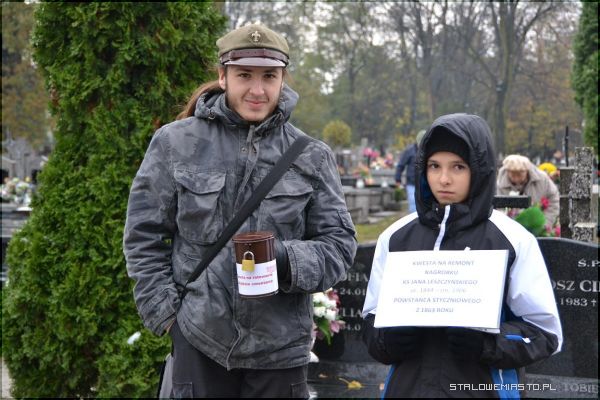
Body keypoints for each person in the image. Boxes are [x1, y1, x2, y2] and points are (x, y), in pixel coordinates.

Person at [123, 23, 357, 398]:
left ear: (283, 79)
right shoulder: (175, 143)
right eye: (244, 75)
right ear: (223, 76)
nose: (257, 90)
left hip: (281, 352)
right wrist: (167, 317)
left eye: (269, 76)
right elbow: (143, 235)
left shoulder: (311, 156)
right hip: (200, 343)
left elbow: (339, 246)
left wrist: (285, 257)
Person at [361, 113, 562, 398]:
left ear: (478, 170)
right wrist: (387, 339)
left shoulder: (512, 240)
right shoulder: (395, 237)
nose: (443, 179)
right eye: (434, 166)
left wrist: (489, 343)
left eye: (458, 167)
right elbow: (371, 321)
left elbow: (545, 333)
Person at [497, 154, 560, 228]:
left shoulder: (542, 180)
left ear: (527, 171)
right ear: (507, 171)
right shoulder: (499, 184)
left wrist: (545, 224)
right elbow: (497, 209)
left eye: (520, 175)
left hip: (538, 226)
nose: (516, 179)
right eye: (513, 175)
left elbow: (554, 200)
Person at [394, 130, 425, 213]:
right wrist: (397, 179)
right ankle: (414, 218)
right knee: (413, 203)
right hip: (412, 183)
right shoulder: (409, 151)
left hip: (425, 183)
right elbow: (401, 165)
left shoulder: (429, 150)